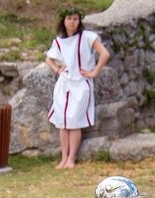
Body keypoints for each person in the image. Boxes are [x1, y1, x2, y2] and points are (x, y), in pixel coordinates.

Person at [45, 8, 110, 170]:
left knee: (74, 121)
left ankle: (71, 158)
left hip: (81, 83)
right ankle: (63, 158)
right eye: (69, 18)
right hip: (64, 83)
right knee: (62, 122)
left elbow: (104, 54)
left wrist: (93, 72)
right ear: (64, 21)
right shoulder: (59, 41)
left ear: (79, 21)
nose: (72, 22)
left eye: (75, 19)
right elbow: (48, 59)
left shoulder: (88, 37)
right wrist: (57, 70)